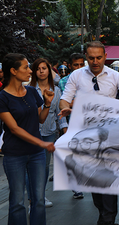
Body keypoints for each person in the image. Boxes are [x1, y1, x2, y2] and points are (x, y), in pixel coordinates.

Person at [59, 41, 119, 225]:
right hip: (86, 138)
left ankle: (107, 220)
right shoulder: (76, 76)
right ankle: (105, 216)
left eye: (99, 57)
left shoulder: (116, 76)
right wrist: (65, 108)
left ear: (105, 57)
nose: (95, 61)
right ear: (86, 57)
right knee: (95, 182)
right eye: (91, 58)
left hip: (110, 136)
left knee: (109, 179)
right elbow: (65, 99)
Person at [0, 53, 55, 225]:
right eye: (26, 67)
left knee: (38, 199)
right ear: (13, 71)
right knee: (17, 202)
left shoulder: (31, 91)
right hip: (15, 154)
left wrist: (47, 104)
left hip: (36, 154)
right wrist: (41, 142)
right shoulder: (2, 97)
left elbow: (40, 119)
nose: (30, 71)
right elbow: (14, 128)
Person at [29, 58, 69, 207]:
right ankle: (32, 199)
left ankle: (40, 195)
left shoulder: (56, 90)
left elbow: (60, 113)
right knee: (31, 166)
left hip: (49, 132)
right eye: (38, 68)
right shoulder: (29, 89)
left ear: (49, 70)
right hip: (32, 132)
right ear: (34, 71)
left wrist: (65, 131)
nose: (41, 71)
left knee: (44, 167)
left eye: (44, 68)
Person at [58, 52, 86, 199]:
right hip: (71, 123)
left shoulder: (89, 79)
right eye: (76, 65)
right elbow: (64, 104)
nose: (79, 67)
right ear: (70, 66)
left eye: (82, 64)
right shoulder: (63, 82)